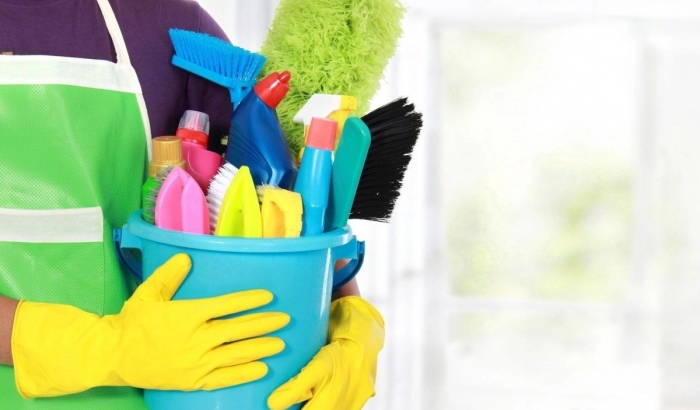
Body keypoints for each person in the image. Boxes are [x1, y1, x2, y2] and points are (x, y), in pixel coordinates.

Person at [0, 0, 385, 409]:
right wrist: (105, 350)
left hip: (177, 397)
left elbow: (282, 211)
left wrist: (350, 320)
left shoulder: (169, 24)